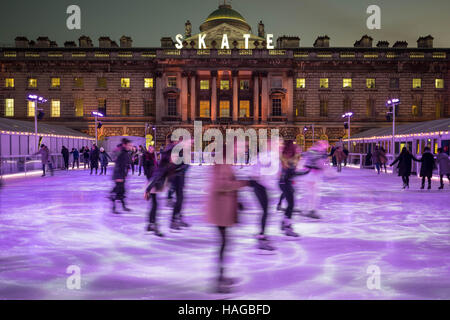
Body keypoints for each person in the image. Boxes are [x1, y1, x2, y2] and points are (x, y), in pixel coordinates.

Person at [206, 151, 248, 293]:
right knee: (224, 243)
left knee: (225, 243)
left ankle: (221, 276)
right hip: (220, 208)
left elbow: (227, 181)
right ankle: (219, 280)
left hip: (222, 207)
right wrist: (243, 183)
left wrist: (239, 200)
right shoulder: (222, 162)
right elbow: (222, 185)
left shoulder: (224, 161)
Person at [278, 140, 310, 237]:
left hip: (285, 182)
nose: (298, 149)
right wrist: (304, 172)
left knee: (290, 204)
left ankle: (285, 223)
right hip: (285, 182)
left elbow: (290, 172)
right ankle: (287, 226)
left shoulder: (287, 157)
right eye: (296, 148)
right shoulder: (288, 158)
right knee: (291, 204)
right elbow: (290, 172)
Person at [302, 140, 329, 219]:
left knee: (311, 193)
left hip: (309, 174)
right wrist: (326, 167)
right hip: (313, 175)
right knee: (314, 193)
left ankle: (310, 209)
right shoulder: (315, 152)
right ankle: (312, 210)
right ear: (320, 145)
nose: (325, 149)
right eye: (324, 147)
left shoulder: (311, 151)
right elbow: (320, 164)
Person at [111, 138, 132, 214]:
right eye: (129, 145)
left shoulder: (125, 152)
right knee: (118, 191)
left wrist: (127, 169)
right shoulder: (121, 152)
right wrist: (119, 177)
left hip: (122, 175)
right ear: (124, 145)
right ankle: (114, 208)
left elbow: (126, 163)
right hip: (118, 175)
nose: (131, 146)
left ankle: (123, 206)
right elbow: (118, 164)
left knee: (122, 191)